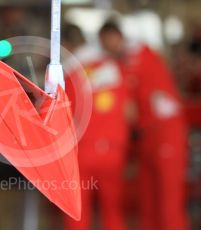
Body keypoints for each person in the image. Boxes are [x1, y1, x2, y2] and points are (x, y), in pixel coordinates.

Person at [98, 20, 188, 230]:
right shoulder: (120, 64)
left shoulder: (141, 55)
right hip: (146, 136)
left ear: (117, 37)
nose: (107, 48)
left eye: (108, 41)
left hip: (166, 133)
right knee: (148, 200)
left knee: (168, 201)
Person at [63, 23, 130, 230]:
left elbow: (63, 116)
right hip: (113, 149)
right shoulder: (114, 66)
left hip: (82, 151)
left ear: (65, 44)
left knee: (77, 214)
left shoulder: (70, 72)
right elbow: (129, 110)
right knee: (113, 211)